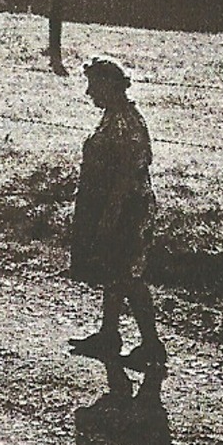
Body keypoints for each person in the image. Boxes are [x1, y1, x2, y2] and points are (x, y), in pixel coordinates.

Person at [69, 57, 165, 369]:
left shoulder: (126, 122)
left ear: (111, 86)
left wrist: (109, 217)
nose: (89, 93)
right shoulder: (113, 117)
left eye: (94, 85)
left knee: (128, 274)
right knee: (116, 271)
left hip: (129, 208)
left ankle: (151, 345)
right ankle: (110, 334)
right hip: (115, 205)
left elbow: (127, 175)